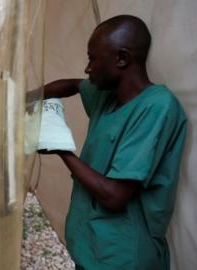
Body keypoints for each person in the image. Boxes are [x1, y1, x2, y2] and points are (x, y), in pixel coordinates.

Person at [37, 15, 187, 270]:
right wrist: (25, 98)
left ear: (122, 59)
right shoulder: (107, 96)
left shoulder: (157, 107)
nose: (87, 68)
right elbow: (73, 85)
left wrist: (60, 147)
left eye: (92, 59)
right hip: (90, 248)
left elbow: (115, 196)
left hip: (123, 257)